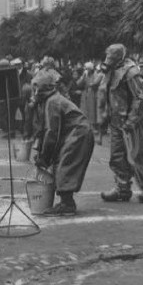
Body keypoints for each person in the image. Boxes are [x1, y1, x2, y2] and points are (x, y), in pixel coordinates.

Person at [99, 44, 143, 204]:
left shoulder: (131, 72)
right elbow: (106, 94)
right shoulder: (111, 71)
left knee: (139, 155)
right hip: (116, 122)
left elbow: (141, 98)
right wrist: (104, 116)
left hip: (132, 123)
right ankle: (122, 188)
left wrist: (132, 120)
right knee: (117, 156)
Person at [32, 71, 95, 216]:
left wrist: (44, 157)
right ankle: (66, 201)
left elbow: (51, 133)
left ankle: (67, 204)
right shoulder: (49, 101)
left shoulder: (52, 102)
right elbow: (44, 130)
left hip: (78, 133)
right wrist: (41, 152)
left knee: (65, 164)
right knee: (61, 162)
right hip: (76, 132)